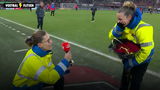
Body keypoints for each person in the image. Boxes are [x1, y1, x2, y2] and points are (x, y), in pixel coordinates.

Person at [108, 1, 154, 90]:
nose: (118, 21)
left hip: (143, 59)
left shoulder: (143, 29)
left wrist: (132, 62)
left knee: (136, 81)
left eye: (120, 19)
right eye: (117, 19)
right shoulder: (121, 24)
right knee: (125, 78)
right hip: (128, 54)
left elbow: (146, 51)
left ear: (129, 17)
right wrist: (118, 29)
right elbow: (111, 36)